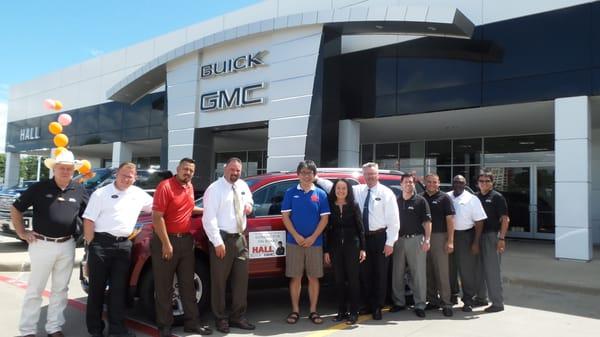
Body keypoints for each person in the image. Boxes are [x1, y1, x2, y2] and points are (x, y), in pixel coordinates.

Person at [12, 149, 89, 337]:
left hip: (67, 244)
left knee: (61, 289)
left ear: (73, 170)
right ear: (54, 168)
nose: (65, 172)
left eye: (69, 169)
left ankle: (54, 327)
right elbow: (16, 209)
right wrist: (22, 232)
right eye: (61, 168)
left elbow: (89, 216)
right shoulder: (39, 187)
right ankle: (27, 330)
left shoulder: (79, 189)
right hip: (41, 244)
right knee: (35, 289)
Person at [82, 162, 153, 337]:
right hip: (101, 244)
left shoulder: (139, 194)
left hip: (124, 246)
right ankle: (95, 329)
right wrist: (92, 246)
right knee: (96, 290)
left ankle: (117, 329)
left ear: (135, 177)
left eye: (131, 176)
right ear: (116, 174)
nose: (127, 179)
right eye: (124, 175)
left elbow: (159, 206)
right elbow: (88, 221)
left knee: (118, 291)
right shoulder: (101, 193)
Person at [151, 158, 212, 337]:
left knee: (188, 285)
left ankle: (192, 323)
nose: (188, 173)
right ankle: (164, 327)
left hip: (186, 241)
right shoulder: (165, 186)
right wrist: (166, 244)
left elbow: (189, 208)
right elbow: (157, 217)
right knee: (164, 287)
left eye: (191, 170)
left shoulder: (189, 187)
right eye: (185, 169)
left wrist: (210, 210)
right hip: (166, 241)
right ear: (177, 169)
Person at [202, 158, 255, 333]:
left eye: (238, 170)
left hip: (240, 239)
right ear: (225, 169)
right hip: (222, 240)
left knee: (241, 281)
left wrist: (248, 205)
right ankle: (220, 318)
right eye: (232, 169)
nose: (235, 173)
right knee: (219, 282)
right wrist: (217, 242)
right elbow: (208, 218)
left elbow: (249, 199)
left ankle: (238, 316)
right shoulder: (214, 189)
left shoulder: (242, 186)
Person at [281, 160, 330, 325]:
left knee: (313, 277)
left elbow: (324, 219)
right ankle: (295, 310)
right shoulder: (290, 192)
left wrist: (312, 237)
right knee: (295, 277)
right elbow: (285, 217)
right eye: (303, 172)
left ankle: (313, 311)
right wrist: (296, 236)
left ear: (314, 175)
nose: (306, 175)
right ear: (298, 174)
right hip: (294, 242)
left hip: (315, 243)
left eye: (310, 173)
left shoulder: (321, 194)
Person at [353, 162, 399, 320]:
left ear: (377, 174)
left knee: (380, 274)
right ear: (363, 175)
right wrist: (317, 178)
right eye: (367, 174)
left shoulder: (387, 193)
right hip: (363, 239)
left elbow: (394, 221)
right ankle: (367, 305)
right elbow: (337, 189)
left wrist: (390, 242)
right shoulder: (357, 190)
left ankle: (378, 306)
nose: (370, 177)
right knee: (364, 274)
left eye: (372, 174)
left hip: (381, 238)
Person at [323, 179, 366, 325]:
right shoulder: (329, 206)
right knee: (339, 281)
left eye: (344, 188)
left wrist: (363, 249)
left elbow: (361, 228)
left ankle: (354, 312)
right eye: (338, 188)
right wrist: (326, 251)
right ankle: (341, 312)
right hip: (335, 248)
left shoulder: (354, 206)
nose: (341, 191)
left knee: (353, 281)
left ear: (348, 190)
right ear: (334, 190)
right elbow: (327, 230)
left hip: (352, 247)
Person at [391, 173, 432, 318]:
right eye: (406, 182)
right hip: (399, 241)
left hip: (416, 240)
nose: (409, 184)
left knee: (418, 274)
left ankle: (420, 304)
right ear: (401, 184)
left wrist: (427, 240)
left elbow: (427, 223)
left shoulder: (420, 201)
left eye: (411, 182)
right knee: (397, 273)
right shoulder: (395, 201)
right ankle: (399, 302)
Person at [447, 175, 487, 312]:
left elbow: (479, 222)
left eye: (461, 182)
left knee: (467, 270)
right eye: (456, 182)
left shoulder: (472, 199)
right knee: (450, 268)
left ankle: (468, 299)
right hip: (449, 236)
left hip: (466, 236)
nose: (458, 184)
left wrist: (476, 242)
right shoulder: (447, 196)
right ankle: (453, 295)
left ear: (465, 184)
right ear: (452, 183)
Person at [421, 173, 455, 317]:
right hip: (422, 238)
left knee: (442, 272)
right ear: (424, 182)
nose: (432, 184)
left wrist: (450, 240)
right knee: (428, 271)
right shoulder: (420, 197)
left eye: (434, 182)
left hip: (440, 237)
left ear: (439, 183)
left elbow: (450, 220)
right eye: (429, 182)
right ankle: (433, 300)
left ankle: (446, 303)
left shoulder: (444, 198)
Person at [476, 170, 510, 313]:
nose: (484, 183)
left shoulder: (497, 197)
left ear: (492, 183)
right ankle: (481, 298)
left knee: (492, 271)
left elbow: (505, 219)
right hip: (478, 236)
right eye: (481, 181)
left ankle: (497, 303)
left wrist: (501, 238)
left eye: (487, 181)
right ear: (477, 183)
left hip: (492, 236)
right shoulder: (475, 197)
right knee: (479, 270)